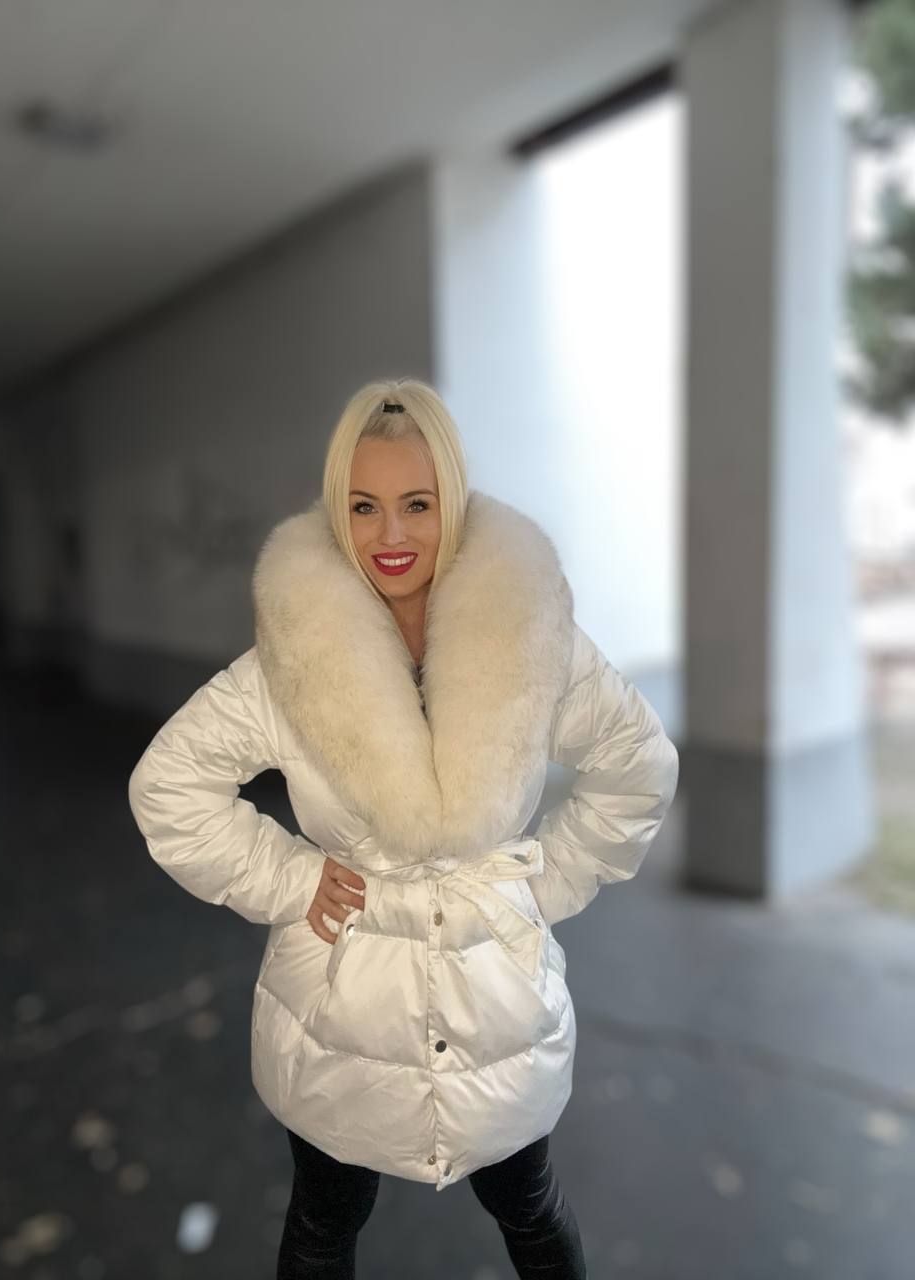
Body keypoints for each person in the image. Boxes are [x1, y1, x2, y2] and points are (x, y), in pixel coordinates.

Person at [128, 377, 680, 1278]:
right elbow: (169, 786)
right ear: (337, 513)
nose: (391, 534)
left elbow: (638, 763)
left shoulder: (530, 635)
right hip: (344, 999)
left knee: (530, 1206)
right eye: (364, 507)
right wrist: (290, 879)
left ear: (452, 502)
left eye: (417, 504)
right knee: (325, 1219)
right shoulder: (293, 657)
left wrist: (547, 880)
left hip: (495, 996)